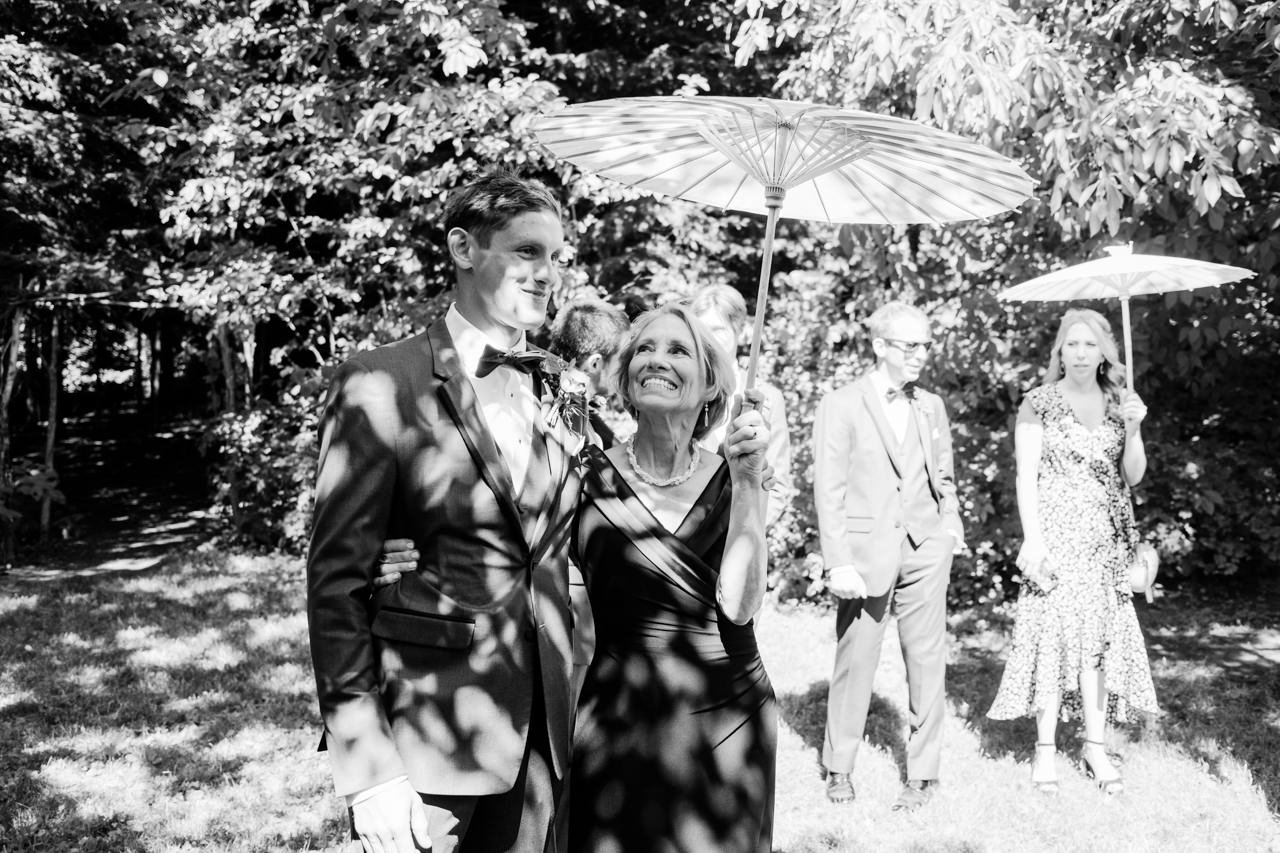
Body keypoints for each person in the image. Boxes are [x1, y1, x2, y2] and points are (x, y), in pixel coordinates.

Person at [306, 171, 583, 853]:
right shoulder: (381, 381)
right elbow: (336, 582)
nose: (549, 273)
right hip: (430, 738)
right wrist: (369, 770)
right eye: (527, 252)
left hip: (545, 737)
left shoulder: (557, 385)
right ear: (463, 247)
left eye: (557, 257)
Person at [568, 302, 776, 852]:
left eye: (679, 350)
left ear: (711, 388)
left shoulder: (738, 477)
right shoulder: (583, 475)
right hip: (619, 717)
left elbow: (740, 605)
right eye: (644, 349)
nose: (657, 360)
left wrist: (749, 480)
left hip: (726, 716)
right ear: (625, 378)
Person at [986, 307, 1158, 795]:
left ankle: (1095, 747)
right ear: (1060, 350)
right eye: (1072, 344)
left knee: (1099, 640)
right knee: (1053, 637)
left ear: (1105, 351)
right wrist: (1033, 538)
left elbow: (1133, 475)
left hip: (1105, 539)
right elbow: (1025, 476)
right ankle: (1044, 749)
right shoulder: (1038, 402)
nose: (1081, 353)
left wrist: (1135, 428)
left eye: (1090, 345)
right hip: (1056, 536)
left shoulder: (1119, 401)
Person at [812, 300, 965, 812]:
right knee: (856, 659)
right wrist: (838, 561)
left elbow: (943, 475)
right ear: (880, 346)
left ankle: (923, 774)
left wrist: (949, 527)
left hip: (925, 548)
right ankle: (840, 766)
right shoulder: (842, 402)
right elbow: (828, 487)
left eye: (925, 344)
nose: (921, 353)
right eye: (910, 345)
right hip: (865, 552)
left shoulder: (932, 405)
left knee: (926, 659)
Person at [687, 284, 794, 528]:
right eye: (702, 331)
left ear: (741, 331)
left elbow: (777, 484)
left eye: (718, 330)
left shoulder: (768, 397)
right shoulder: (683, 391)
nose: (709, 340)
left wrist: (744, 531)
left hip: (740, 532)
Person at [548, 297, 633, 449]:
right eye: (623, 358)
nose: (628, 366)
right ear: (595, 364)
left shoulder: (548, 395)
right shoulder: (563, 423)